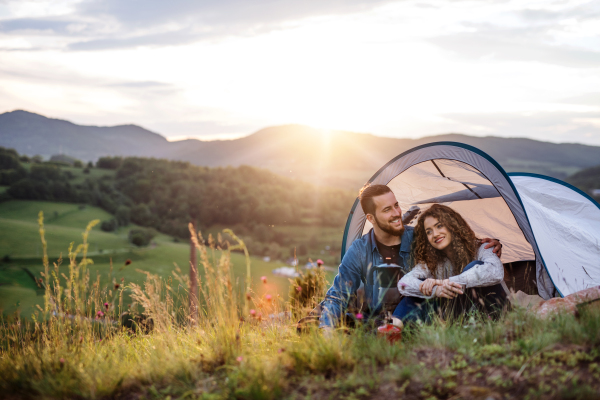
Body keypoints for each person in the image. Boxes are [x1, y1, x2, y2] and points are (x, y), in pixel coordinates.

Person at [318, 184, 502, 331]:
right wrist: (326, 328)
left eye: (396, 205)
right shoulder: (359, 250)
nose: (397, 213)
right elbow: (338, 295)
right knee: (328, 315)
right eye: (387, 209)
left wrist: (481, 246)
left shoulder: (421, 238)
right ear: (371, 218)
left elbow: (454, 246)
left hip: (423, 312)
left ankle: (397, 329)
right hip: (378, 319)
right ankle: (382, 331)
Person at [394, 203, 507, 323]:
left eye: (439, 226)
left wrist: (445, 282)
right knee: (421, 286)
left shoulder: (483, 247)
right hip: (457, 317)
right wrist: (436, 290)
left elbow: (496, 272)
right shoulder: (433, 262)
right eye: (429, 232)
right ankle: (393, 329)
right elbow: (403, 284)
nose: (435, 234)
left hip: (492, 312)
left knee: (473, 267)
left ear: (452, 225)